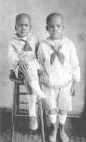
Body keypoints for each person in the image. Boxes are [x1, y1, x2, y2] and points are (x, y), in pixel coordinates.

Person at [38, 12, 80, 142]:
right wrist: (42, 72)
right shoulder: (43, 46)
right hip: (49, 84)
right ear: (47, 28)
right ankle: (54, 129)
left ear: (63, 28)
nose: (55, 29)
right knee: (52, 108)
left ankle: (61, 129)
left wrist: (75, 82)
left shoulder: (69, 45)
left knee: (63, 108)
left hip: (65, 84)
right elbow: (38, 63)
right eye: (51, 26)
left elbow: (75, 65)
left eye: (58, 26)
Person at [8, 14, 46, 131]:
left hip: (33, 67)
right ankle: (42, 95)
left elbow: (40, 53)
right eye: (20, 25)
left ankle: (32, 115)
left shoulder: (34, 38)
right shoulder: (12, 41)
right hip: (19, 68)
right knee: (26, 68)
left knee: (28, 81)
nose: (23, 28)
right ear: (15, 27)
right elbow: (11, 57)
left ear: (30, 27)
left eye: (26, 25)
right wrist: (19, 61)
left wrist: (42, 68)